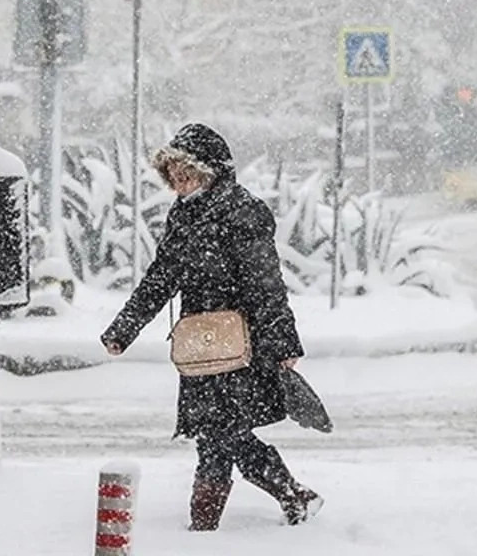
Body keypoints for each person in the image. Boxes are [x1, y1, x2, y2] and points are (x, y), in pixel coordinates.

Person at [100, 123, 323, 531]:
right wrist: (123, 330)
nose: (180, 184)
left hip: (242, 344)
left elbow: (266, 283)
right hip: (201, 346)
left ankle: (205, 528)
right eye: (174, 176)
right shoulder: (183, 215)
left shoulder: (242, 211)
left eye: (187, 174)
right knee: (220, 433)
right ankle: (291, 496)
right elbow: (161, 277)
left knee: (220, 434)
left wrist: (283, 342)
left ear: (211, 171)